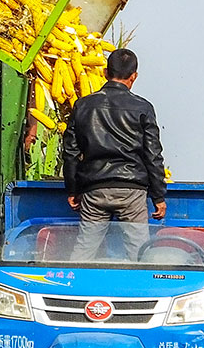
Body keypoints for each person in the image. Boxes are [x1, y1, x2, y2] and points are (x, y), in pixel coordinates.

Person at [61, 48, 166, 261]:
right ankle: (138, 293)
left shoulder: (83, 105)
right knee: (139, 256)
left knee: (83, 253)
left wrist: (72, 189)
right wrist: (158, 195)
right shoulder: (143, 108)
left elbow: (70, 152)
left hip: (95, 190)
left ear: (106, 73)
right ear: (134, 76)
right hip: (132, 191)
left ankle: (69, 290)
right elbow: (153, 155)